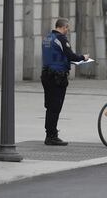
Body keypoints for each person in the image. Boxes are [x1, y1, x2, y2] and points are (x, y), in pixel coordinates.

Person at [41, 18, 89, 146]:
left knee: (49, 106)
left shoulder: (47, 38)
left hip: (46, 75)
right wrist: (83, 58)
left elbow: (54, 55)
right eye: (67, 28)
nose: (67, 31)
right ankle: (52, 136)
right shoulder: (61, 38)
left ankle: (49, 133)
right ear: (64, 27)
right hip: (57, 76)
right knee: (56, 106)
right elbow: (70, 55)